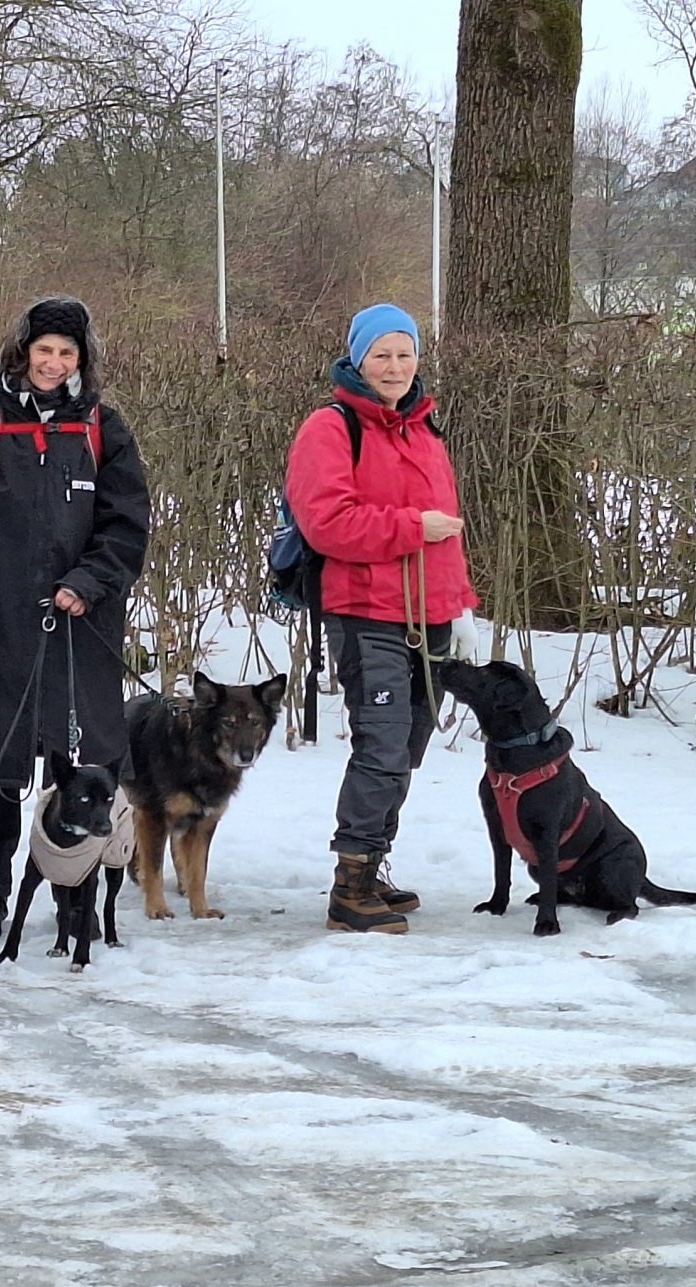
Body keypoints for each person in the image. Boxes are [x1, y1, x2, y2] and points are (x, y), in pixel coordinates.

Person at [0, 296, 149, 943]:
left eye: (65, 352)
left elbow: (127, 527)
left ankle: (72, 892)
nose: (53, 362)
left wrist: (88, 582)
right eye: (43, 350)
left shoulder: (105, 428)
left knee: (75, 774)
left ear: (81, 359)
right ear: (23, 354)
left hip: (82, 631)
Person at [286, 303, 475, 934]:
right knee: (383, 743)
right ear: (357, 359)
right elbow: (327, 523)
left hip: (429, 616)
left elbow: (447, 538)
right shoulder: (331, 428)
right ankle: (351, 882)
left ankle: (374, 864)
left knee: (410, 744)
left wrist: (461, 606)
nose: (394, 367)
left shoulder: (424, 430)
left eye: (404, 353)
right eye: (381, 355)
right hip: (365, 611)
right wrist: (411, 527)